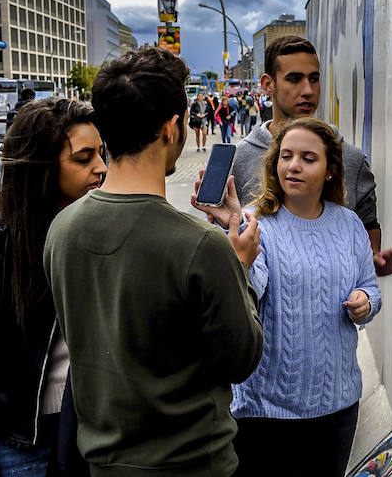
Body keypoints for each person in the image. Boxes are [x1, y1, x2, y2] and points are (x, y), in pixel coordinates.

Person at [43, 46, 264, 476]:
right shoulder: (201, 246)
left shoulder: (62, 229)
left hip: (102, 462)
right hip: (193, 464)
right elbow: (241, 358)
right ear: (171, 127)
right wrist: (240, 264)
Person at [195, 117, 381, 476]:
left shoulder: (349, 224)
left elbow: (371, 289)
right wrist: (238, 254)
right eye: (286, 156)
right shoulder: (254, 222)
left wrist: (365, 301)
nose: (293, 166)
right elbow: (247, 296)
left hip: (337, 406)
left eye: (308, 158)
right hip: (265, 413)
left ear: (330, 170)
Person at [230, 36, 392, 276]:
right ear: (268, 84)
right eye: (294, 79)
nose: (308, 90)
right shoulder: (239, 159)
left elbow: (367, 241)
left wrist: (375, 264)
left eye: (314, 79)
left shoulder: (350, 159)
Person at [0, 98, 105, 476]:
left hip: (90, 435)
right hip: (22, 443)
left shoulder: (100, 231)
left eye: (102, 153)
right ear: (43, 167)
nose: (101, 168)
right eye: (84, 157)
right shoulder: (6, 243)